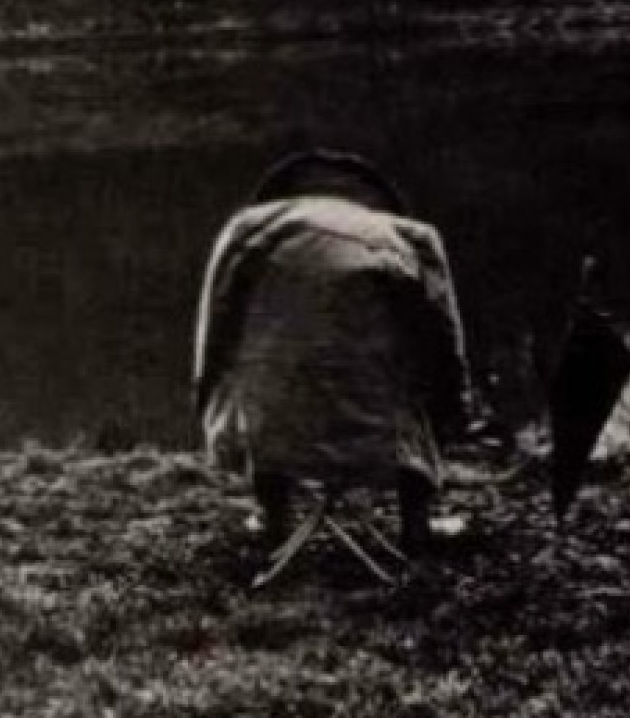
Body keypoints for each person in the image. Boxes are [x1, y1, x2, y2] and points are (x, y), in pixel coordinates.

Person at [193, 150, 473, 557]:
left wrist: (207, 400)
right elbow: (445, 341)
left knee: (259, 372)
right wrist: (455, 407)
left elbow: (214, 330)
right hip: (378, 425)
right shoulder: (411, 238)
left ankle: (276, 519)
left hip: (276, 423)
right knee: (416, 380)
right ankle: (416, 525)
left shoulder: (245, 232)